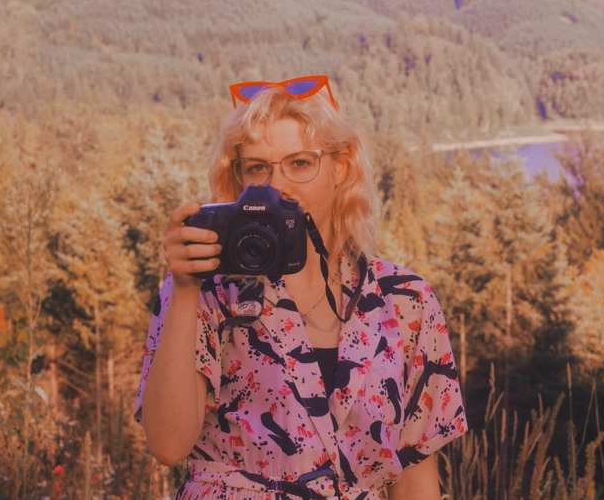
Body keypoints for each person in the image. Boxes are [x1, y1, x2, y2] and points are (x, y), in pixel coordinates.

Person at [135, 75, 467, 500]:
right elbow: (167, 445)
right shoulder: (207, 287)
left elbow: (416, 477)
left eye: (299, 163)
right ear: (239, 180)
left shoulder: (404, 299)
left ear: (340, 166)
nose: (278, 185)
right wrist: (183, 290)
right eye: (257, 168)